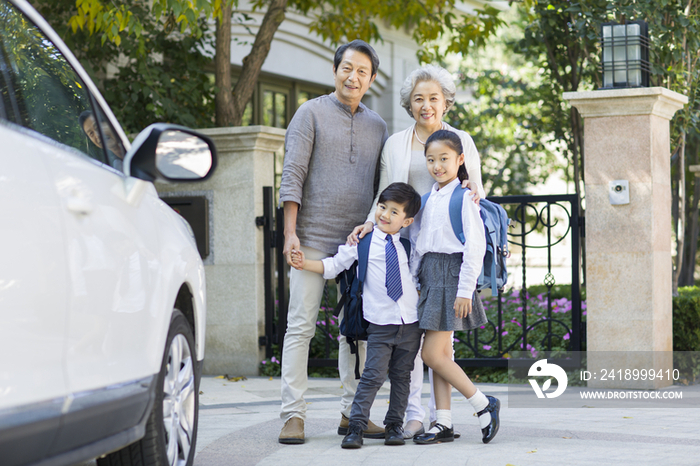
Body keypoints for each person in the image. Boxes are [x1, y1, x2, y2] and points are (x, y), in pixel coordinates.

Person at [347, 64, 484, 439]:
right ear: (410, 104)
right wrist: (370, 223)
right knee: (407, 334)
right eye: (419, 99)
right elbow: (386, 193)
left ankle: (441, 417)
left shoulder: (462, 140)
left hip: (443, 253)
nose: (426, 105)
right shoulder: (397, 143)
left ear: (446, 103)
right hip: (403, 247)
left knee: (436, 342)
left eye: (434, 98)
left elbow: (476, 192)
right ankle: (414, 412)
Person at [277, 39, 389, 444]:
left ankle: (352, 414)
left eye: (362, 71)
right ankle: (293, 416)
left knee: (355, 330)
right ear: (335, 70)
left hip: (357, 243)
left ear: (372, 79)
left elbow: (382, 189)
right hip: (310, 237)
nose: (353, 76)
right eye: (346, 67)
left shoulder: (378, 126)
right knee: (300, 327)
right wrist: (290, 233)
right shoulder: (310, 113)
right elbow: (292, 175)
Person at [290, 183, 423, 449]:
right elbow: (333, 266)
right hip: (380, 324)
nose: (385, 214)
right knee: (372, 376)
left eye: (393, 212)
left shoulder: (409, 247)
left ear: (407, 221)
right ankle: (356, 427)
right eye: (382, 207)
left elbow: (417, 281)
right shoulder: (361, 243)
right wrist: (306, 264)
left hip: (410, 323)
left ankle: (394, 426)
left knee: (401, 377)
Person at [410, 130, 500, 445]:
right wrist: (415, 280)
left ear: (460, 160)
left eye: (444, 159)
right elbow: (418, 246)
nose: (437, 165)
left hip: (452, 276)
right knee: (442, 355)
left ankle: (482, 403)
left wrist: (465, 290)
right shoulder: (427, 198)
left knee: (431, 354)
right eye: (431, 160)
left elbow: (474, 246)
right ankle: (444, 422)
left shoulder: (465, 197)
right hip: (430, 277)